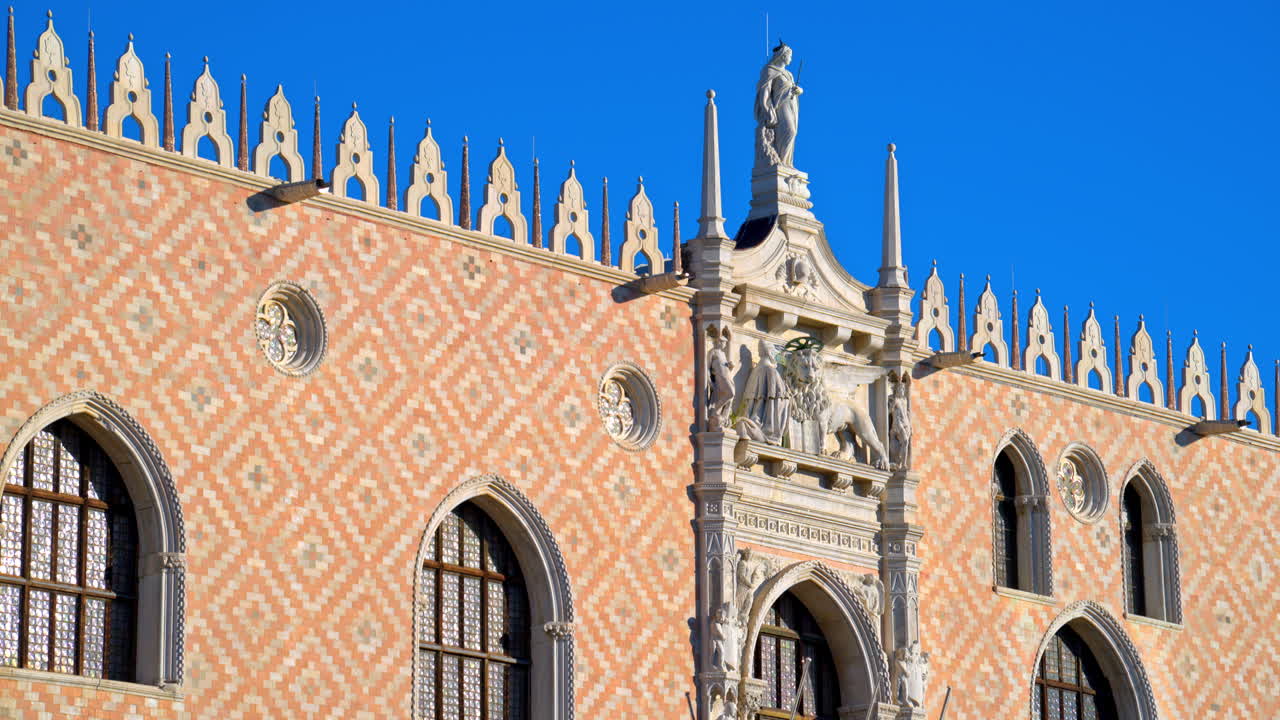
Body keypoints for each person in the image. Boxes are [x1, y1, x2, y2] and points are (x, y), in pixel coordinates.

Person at [754, 42, 803, 169]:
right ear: (782, 55)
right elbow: (765, 91)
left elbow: (793, 88)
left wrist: (799, 90)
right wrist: (766, 108)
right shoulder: (769, 70)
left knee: (793, 132)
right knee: (789, 131)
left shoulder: (789, 74)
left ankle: (787, 163)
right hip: (779, 106)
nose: (790, 59)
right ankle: (781, 161)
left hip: (791, 105)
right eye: (789, 55)